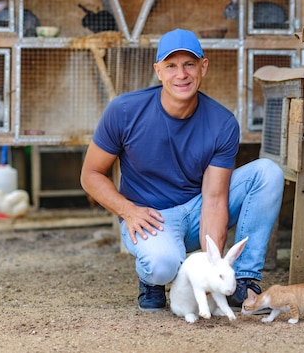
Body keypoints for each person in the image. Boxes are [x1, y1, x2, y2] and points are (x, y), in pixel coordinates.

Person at [81, 28, 284, 311]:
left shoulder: (222, 123)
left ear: (203, 66)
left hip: (198, 208)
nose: (182, 74)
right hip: (150, 217)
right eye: (171, 66)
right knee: (162, 266)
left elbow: (213, 201)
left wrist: (215, 268)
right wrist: (127, 210)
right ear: (159, 71)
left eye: (189, 64)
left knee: (267, 173)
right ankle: (151, 280)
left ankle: (243, 282)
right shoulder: (125, 111)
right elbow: (90, 175)